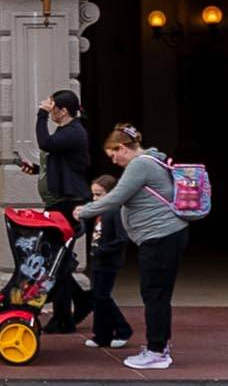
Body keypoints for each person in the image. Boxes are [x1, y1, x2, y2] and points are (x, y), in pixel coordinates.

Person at [70, 124, 189, 371]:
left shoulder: (140, 164)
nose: (114, 161)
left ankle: (157, 352)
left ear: (122, 147)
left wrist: (85, 211)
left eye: (114, 154)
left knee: (154, 294)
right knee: (158, 294)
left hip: (160, 237)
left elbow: (116, 196)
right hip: (165, 236)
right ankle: (159, 346)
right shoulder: (151, 161)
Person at [31, 90, 92, 330]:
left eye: (52, 107)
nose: (50, 110)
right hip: (61, 201)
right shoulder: (67, 132)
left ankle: (64, 317)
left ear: (62, 111)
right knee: (58, 259)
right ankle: (78, 303)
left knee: (58, 260)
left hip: (68, 203)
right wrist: (36, 169)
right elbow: (60, 162)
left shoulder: (74, 132)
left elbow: (45, 143)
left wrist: (40, 116)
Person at [80, 173, 134, 351]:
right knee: (98, 297)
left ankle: (122, 330)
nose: (94, 198)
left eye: (99, 194)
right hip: (99, 260)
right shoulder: (101, 212)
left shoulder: (115, 211)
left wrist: (103, 250)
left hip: (108, 261)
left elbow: (122, 238)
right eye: (93, 194)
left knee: (102, 296)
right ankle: (102, 334)